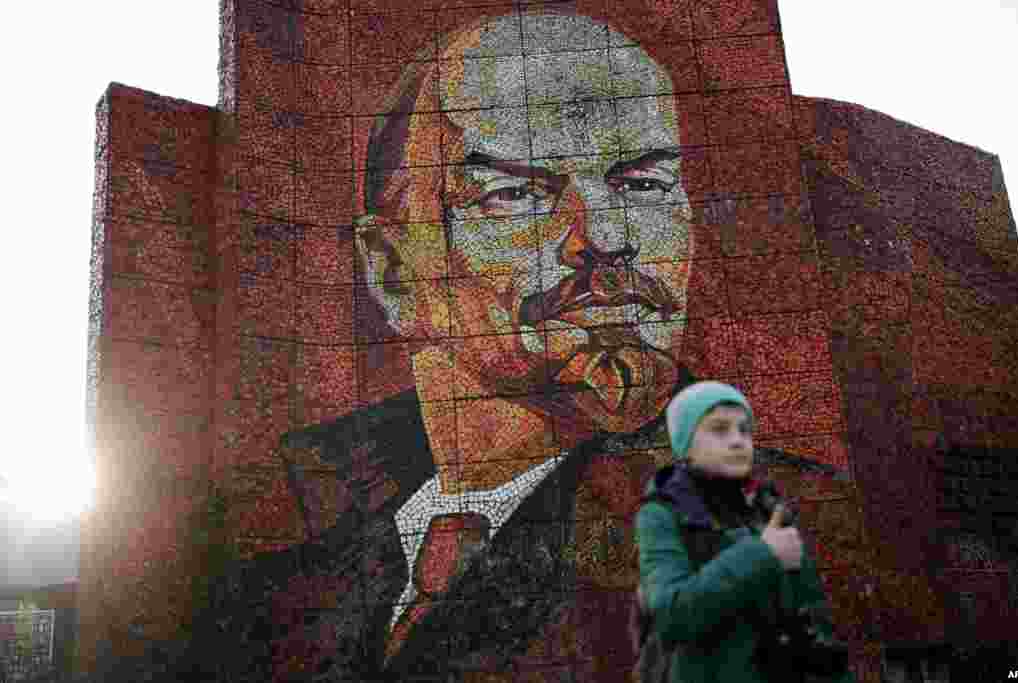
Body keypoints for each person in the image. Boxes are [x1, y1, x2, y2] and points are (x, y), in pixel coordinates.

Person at [194, 7, 846, 682]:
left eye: (644, 184)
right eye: (516, 193)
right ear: (392, 269)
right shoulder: (282, 574)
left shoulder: (787, 521)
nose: (605, 235)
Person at [634, 381, 854, 682]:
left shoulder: (768, 508)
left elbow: (813, 621)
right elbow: (672, 616)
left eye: (744, 429)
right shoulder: (662, 514)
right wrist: (763, 554)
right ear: (687, 445)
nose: (738, 440)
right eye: (719, 429)